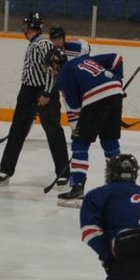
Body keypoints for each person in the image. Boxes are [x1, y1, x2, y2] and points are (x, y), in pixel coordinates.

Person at [0, 13, 70, 188]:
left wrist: (46, 93)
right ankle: (5, 169)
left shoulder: (43, 44)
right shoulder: (34, 44)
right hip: (27, 92)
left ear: (29, 27)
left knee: (53, 131)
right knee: (17, 130)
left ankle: (63, 172)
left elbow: (55, 68)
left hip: (43, 92)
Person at [49, 45, 125, 206]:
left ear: (55, 64)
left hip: (95, 97)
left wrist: (77, 130)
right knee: (109, 140)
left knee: (80, 144)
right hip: (115, 92)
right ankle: (118, 185)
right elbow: (117, 58)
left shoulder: (63, 75)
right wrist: (117, 80)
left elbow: (75, 107)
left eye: (50, 68)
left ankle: (77, 188)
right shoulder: (84, 59)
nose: (51, 72)